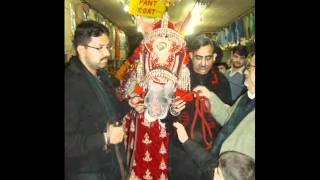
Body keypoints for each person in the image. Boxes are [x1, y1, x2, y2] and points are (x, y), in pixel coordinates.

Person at [173, 53, 255, 180]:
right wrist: (210, 96)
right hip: (217, 163)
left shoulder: (222, 80)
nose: (246, 71)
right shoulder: (247, 97)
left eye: (251, 67)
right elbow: (230, 118)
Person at [65, 20, 130, 180]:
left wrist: (130, 104)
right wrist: (105, 138)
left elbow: (111, 112)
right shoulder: (70, 84)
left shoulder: (102, 76)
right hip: (85, 172)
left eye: (107, 47)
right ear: (81, 50)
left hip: (110, 167)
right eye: (99, 48)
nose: (107, 53)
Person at [168, 35, 232, 180]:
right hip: (181, 153)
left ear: (215, 57)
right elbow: (161, 117)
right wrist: (172, 110)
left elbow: (228, 119)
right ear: (190, 55)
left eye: (208, 58)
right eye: (198, 58)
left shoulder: (221, 81)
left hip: (211, 153)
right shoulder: (176, 79)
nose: (203, 63)